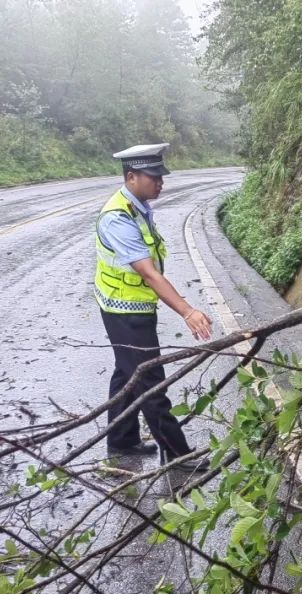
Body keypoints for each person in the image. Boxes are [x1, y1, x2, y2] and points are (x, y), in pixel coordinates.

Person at [94, 142, 213, 471]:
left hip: (128, 306)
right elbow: (148, 273)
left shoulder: (136, 208)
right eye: (153, 177)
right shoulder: (118, 218)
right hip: (125, 311)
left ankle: (122, 441)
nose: (160, 183)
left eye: (161, 177)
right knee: (150, 381)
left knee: (126, 373)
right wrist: (188, 311)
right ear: (131, 177)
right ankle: (177, 453)